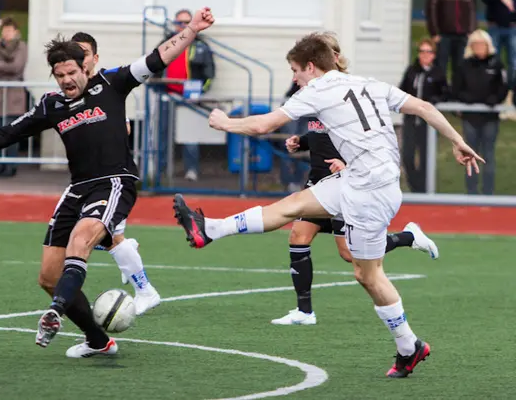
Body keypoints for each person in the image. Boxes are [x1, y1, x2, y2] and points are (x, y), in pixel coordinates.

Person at [173, 32, 482, 378]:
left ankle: (409, 346)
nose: (294, 78)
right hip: (359, 179)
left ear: (310, 66)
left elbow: (263, 124)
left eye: (295, 70)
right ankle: (210, 229)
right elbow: (424, 108)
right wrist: (458, 141)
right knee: (291, 207)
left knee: (367, 275)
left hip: (371, 192)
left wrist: (224, 123)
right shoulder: (368, 83)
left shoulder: (317, 89)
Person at [0, 7, 215, 358]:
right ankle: (98, 341)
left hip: (114, 182)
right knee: (48, 277)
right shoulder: (51, 105)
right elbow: (6, 133)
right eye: (59, 74)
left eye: (71, 72)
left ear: (86, 68)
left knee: (82, 239)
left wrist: (193, 31)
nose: (66, 79)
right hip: (77, 188)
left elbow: (158, 57)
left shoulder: (112, 83)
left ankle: (55, 313)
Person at [272, 33, 439, 326]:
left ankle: (408, 237)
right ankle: (304, 311)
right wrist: (303, 142)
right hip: (319, 181)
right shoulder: (311, 88)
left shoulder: (346, 90)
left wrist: (348, 164)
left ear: (333, 58)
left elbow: (360, 137)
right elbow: (322, 132)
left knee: (350, 255)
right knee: (298, 235)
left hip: (348, 183)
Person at [70, 31, 161, 315]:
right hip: (87, 176)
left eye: (84, 53)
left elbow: (125, 127)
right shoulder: (70, 89)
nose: (79, 58)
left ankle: (145, 290)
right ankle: (127, 254)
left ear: (95, 58)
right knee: (97, 235)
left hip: (113, 177)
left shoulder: (109, 83)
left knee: (98, 234)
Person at [157, 9, 216, 181]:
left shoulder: (200, 46)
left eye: (186, 22)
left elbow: (209, 73)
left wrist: (198, 91)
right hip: (167, 95)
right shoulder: (166, 42)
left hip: (189, 98)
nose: (182, 26)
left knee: (190, 135)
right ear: (174, 24)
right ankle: (160, 174)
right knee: (162, 134)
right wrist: (158, 89)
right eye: (179, 22)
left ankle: (191, 170)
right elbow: (153, 67)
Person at [453, 29, 508, 195]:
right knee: (470, 155)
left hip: (490, 118)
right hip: (470, 118)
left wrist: (495, 99)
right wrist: (466, 98)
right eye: (475, 44)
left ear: (488, 45)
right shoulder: (464, 65)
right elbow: (456, 88)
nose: (479, 47)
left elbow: (503, 87)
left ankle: (488, 194)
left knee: (488, 155)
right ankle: (471, 193)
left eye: (481, 44)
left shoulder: (497, 64)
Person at [399, 38, 449, 193]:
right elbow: (402, 90)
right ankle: (415, 188)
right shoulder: (411, 70)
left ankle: (424, 190)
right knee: (407, 156)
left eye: (428, 51)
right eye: (422, 51)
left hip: (428, 123)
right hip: (411, 120)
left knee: (426, 158)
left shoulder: (438, 73)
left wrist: (435, 101)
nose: (425, 55)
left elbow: (446, 93)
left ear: (434, 54)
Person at [0, 17, 27, 178]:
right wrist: (1, 67)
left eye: (9, 30)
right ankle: (0, 165)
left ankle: (11, 165)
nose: (6, 34)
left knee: (11, 131)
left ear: (15, 32)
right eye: (4, 30)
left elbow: (17, 67)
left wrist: (1, 66)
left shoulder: (21, 46)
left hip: (14, 92)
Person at [426, 0, 477, 82]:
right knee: (440, 65)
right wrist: (434, 32)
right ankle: (439, 93)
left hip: (463, 34)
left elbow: (472, 9)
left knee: (460, 66)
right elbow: (431, 7)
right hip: (443, 34)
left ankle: (456, 94)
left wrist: (471, 31)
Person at [480, 0, 516, 88]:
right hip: (494, 27)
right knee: (492, 62)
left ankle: (512, 90)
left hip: (513, 27)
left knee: (514, 62)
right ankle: (494, 90)